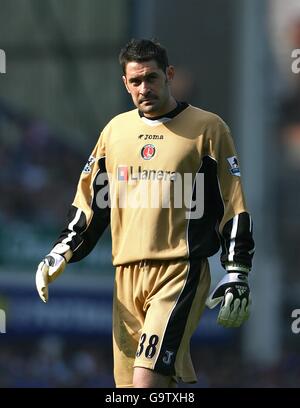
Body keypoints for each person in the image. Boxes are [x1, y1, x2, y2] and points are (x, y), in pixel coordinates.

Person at [35, 39, 255, 388]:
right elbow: (93, 204)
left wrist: (237, 270)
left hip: (179, 271)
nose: (144, 88)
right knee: (137, 388)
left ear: (168, 75)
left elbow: (233, 203)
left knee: (145, 381)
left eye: (151, 78)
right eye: (135, 81)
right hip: (125, 277)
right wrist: (62, 249)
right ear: (125, 83)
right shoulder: (114, 132)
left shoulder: (208, 128)